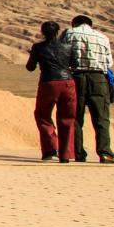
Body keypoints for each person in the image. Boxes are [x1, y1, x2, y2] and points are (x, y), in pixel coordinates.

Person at [61, 15, 114, 164]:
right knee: (101, 118)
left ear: (74, 24)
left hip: (76, 77)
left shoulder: (69, 34)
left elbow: (62, 55)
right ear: (90, 25)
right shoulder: (102, 37)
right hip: (98, 79)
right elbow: (109, 62)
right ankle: (105, 153)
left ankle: (79, 153)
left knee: (76, 118)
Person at [26, 21, 76, 162]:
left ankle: (50, 150)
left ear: (42, 32)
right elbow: (75, 65)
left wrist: (35, 57)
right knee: (67, 118)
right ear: (58, 31)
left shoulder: (38, 47)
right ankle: (66, 155)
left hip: (48, 83)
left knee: (42, 115)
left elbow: (30, 67)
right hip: (68, 83)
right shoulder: (68, 46)